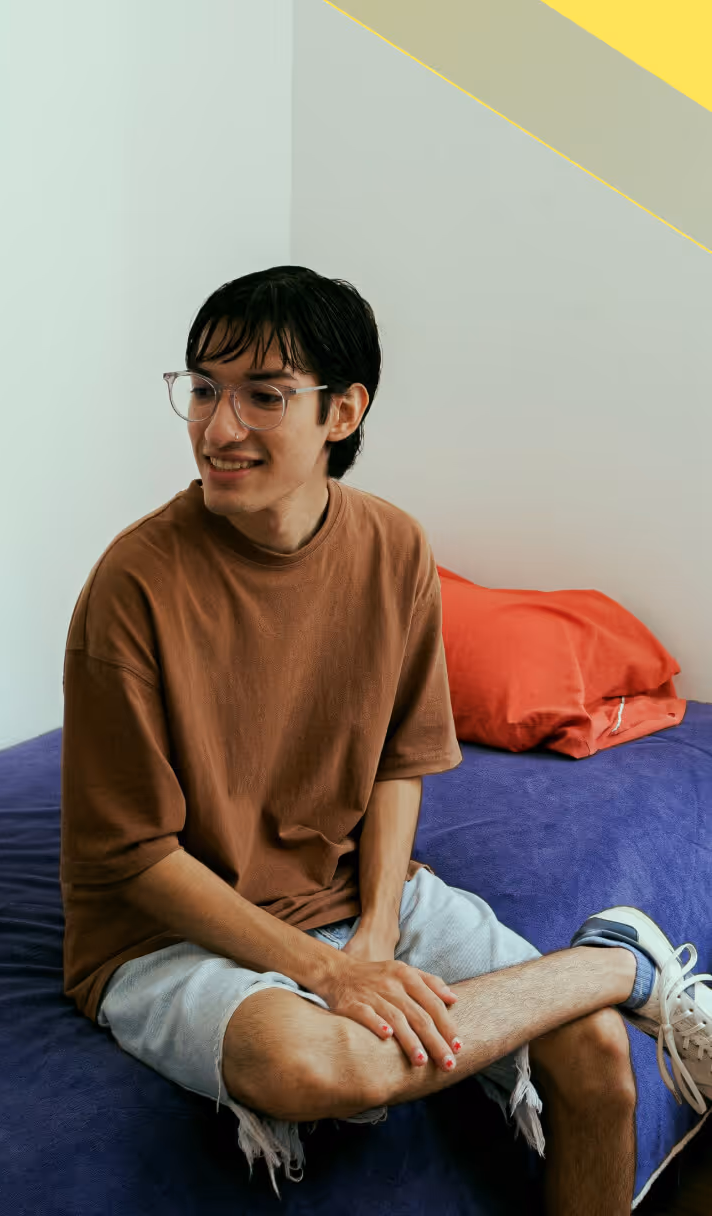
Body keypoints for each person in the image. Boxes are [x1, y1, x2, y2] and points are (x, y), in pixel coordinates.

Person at [60, 265, 712, 1214]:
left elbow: (401, 762)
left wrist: (370, 927)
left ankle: (609, 977)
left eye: (264, 396)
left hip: (349, 891)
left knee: (602, 1058)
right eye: (202, 388)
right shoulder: (134, 584)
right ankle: (620, 964)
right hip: (165, 935)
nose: (218, 426)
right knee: (323, 1063)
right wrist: (328, 971)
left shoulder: (394, 548)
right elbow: (133, 857)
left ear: (343, 410)